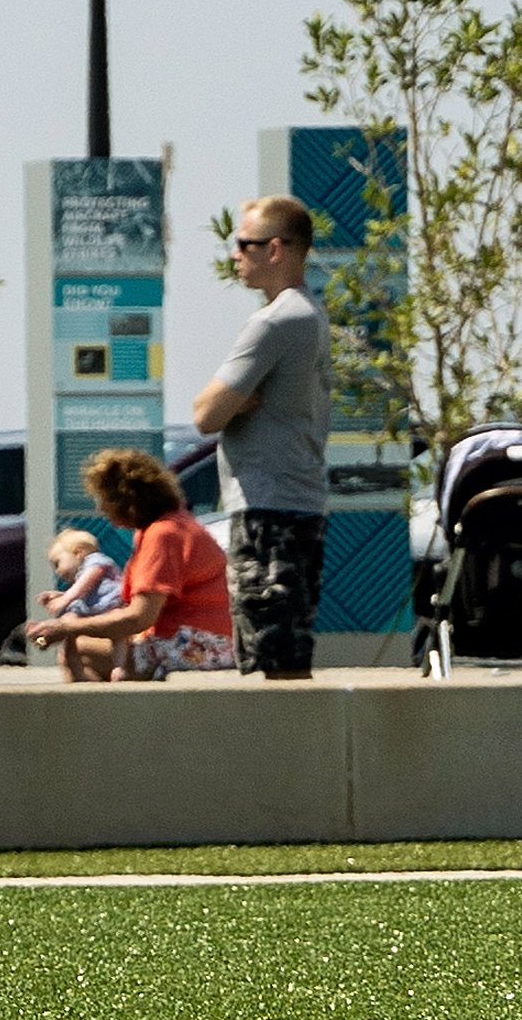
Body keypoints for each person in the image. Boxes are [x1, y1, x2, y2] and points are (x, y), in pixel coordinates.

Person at [194, 194, 332, 679]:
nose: (235, 255)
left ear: (275, 249)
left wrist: (232, 400)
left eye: (244, 245)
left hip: (268, 511)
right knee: (285, 656)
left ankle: (282, 755)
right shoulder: (309, 315)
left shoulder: (274, 321)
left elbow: (206, 414)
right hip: (294, 504)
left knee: (267, 664)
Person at [47, 449, 238, 682]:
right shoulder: (172, 524)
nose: (100, 508)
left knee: (78, 650)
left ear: (125, 499)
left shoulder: (163, 535)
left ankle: (102, 718)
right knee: (96, 647)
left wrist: (66, 628)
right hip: (205, 639)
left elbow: (139, 617)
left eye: (104, 498)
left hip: (198, 645)